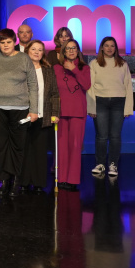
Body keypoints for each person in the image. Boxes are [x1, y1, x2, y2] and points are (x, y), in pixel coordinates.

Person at [0, 28, 39, 197]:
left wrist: (34, 110)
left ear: (15, 41)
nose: (5, 45)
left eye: (8, 42)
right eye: (2, 43)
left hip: (20, 109)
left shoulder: (24, 58)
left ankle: (16, 180)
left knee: (17, 146)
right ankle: (4, 181)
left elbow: (33, 85)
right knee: (1, 146)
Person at [18, 40, 60, 194]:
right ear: (27, 51)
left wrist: (55, 113)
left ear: (43, 53)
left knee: (40, 151)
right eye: (33, 49)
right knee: (25, 150)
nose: (36, 52)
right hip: (24, 115)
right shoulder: (20, 69)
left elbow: (55, 94)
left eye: (40, 50)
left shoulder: (48, 70)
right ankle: (23, 181)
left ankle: (39, 183)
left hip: (43, 115)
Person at [87, 36, 134, 178]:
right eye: (106, 45)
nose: (109, 48)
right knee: (101, 136)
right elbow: (90, 87)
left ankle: (113, 164)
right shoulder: (94, 64)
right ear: (101, 47)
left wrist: (128, 108)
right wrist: (92, 107)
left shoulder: (122, 64)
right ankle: (100, 164)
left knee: (115, 136)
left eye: (112, 46)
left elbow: (128, 86)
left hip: (118, 103)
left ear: (116, 48)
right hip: (100, 102)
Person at [55, 39, 91, 191]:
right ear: (63, 51)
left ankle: (73, 180)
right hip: (61, 113)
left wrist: (74, 70)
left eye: (74, 48)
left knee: (75, 147)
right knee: (62, 147)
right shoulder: (56, 68)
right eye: (68, 48)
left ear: (78, 51)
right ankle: (62, 178)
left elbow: (86, 85)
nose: (71, 51)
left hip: (77, 112)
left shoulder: (84, 68)